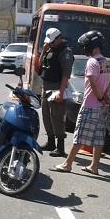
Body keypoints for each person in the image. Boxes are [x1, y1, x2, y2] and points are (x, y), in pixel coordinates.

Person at [54, 31, 110, 175]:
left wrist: (99, 97)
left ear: (90, 45)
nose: (83, 49)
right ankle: (94, 166)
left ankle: (67, 164)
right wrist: (106, 97)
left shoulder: (92, 62)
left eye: (85, 46)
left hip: (91, 105)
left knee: (79, 135)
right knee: (99, 137)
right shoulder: (104, 61)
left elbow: (93, 82)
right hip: (102, 106)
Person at [38, 28, 74, 157]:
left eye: (52, 42)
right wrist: (43, 51)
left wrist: (61, 91)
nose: (50, 43)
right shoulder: (50, 49)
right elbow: (38, 67)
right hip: (46, 85)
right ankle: (51, 142)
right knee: (46, 115)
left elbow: (66, 74)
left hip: (57, 86)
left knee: (57, 116)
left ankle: (60, 147)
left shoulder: (66, 52)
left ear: (59, 38)